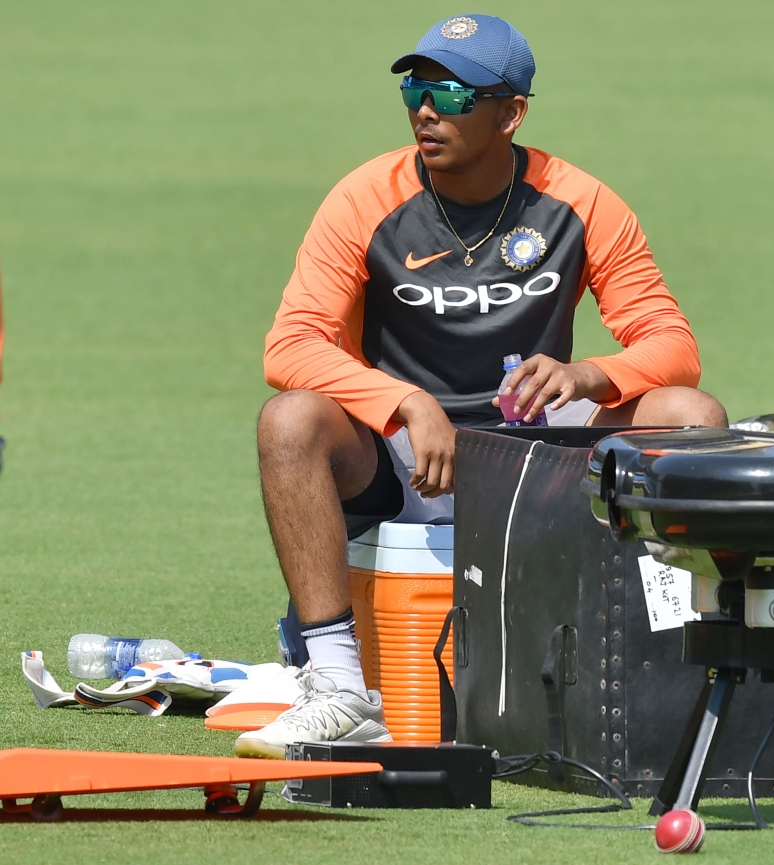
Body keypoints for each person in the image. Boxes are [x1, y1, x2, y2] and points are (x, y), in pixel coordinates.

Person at [235, 14, 728, 758]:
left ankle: (681, 668)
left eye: (453, 94)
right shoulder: (366, 197)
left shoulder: (581, 201)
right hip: (404, 456)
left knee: (692, 416)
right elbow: (291, 343)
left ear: (511, 113)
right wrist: (403, 401)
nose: (427, 109)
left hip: (538, 453)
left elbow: (673, 346)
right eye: (415, 86)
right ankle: (338, 689)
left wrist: (589, 374)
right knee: (289, 421)